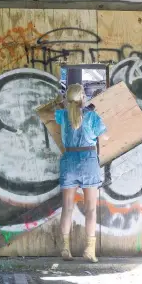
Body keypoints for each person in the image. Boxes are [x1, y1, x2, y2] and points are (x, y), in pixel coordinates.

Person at [45, 84, 108, 262]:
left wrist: (62, 104)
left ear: (68, 98)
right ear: (82, 97)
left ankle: (65, 249)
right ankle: (89, 251)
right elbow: (104, 136)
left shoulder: (62, 115)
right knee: (90, 209)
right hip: (88, 160)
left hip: (69, 160)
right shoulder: (91, 116)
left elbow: (52, 113)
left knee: (67, 208)